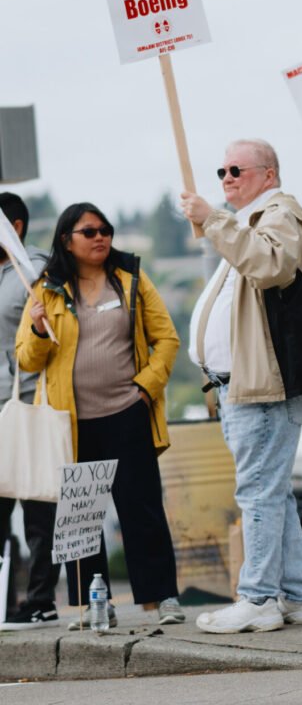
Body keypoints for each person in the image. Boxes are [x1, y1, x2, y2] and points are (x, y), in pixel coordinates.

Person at [181, 139, 302, 634]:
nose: (226, 178)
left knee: (258, 491)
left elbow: (271, 266)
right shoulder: (250, 221)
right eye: (221, 170)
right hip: (244, 381)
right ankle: (298, 595)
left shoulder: (276, 213)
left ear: (270, 174)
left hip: (263, 381)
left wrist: (213, 219)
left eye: (237, 169)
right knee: (272, 492)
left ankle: (258, 597)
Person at [15, 202, 183, 628]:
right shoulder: (46, 288)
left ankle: (160, 597)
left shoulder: (130, 277)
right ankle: (95, 605)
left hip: (127, 413)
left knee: (142, 509)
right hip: (72, 425)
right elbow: (27, 360)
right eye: (89, 232)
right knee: (82, 520)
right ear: (66, 240)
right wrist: (36, 329)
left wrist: (145, 388)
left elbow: (166, 338)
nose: (100, 237)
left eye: (105, 229)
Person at [0, 193, 60, 630]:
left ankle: (41, 600)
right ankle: (4, 600)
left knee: (38, 506)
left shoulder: (35, 271)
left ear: (14, 228)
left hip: (28, 401)